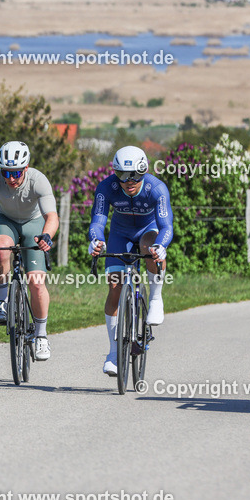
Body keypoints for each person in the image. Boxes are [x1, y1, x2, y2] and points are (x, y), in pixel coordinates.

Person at [88, 146, 174, 377]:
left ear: (144, 171)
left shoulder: (156, 189)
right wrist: (96, 240)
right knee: (115, 286)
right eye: (123, 175)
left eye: (136, 174)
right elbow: (98, 221)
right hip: (120, 234)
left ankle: (156, 298)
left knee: (149, 247)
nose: (129, 181)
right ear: (116, 173)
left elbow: (166, 226)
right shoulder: (107, 188)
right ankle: (114, 353)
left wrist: (161, 246)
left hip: (149, 230)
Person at [0, 141, 58, 361]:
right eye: (6, 173)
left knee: (37, 283)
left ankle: (41, 335)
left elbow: (52, 217)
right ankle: (2, 301)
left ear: (26, 168)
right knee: (1, 249)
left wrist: (47, 236)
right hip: (6, 221)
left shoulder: (38, 180)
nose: (11, 179)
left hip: (34, 223)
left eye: (16, 173)